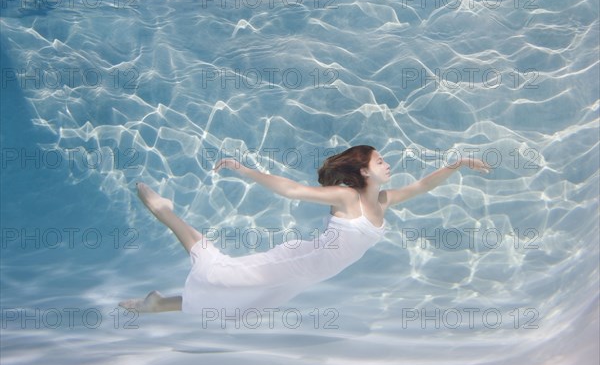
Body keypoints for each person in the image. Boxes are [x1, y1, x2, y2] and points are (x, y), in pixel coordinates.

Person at [118, 145, 490, 313]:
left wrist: (456, 165)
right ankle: (167, 213)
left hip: (311, 275)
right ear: (363, 171)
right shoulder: (346, 198)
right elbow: (293, 190)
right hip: (300, 262)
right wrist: (244, 170)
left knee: (241, 306)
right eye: (380, 160)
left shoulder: (383, 201)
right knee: (218, 274)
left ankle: (159, 305)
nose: (387, 164)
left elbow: (422, 185)